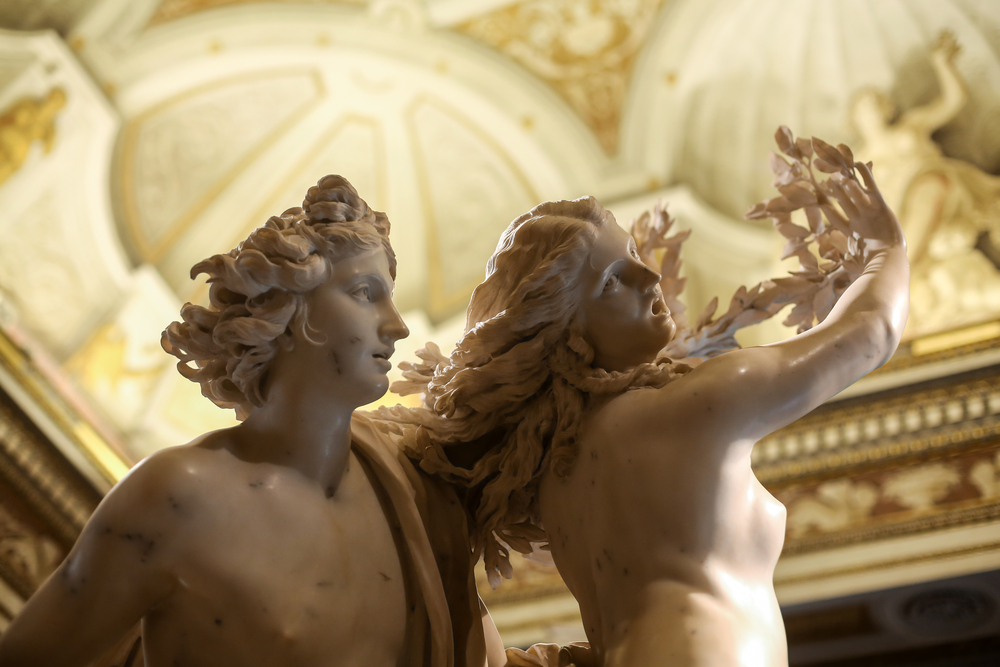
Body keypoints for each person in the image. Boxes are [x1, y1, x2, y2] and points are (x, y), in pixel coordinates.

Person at [382, 152, 908, 665]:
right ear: (563, 326)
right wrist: (886, 249)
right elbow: (872, 333)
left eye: (636, 256)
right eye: (613, 280)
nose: (649, 279)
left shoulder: (555, 473)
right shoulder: (685, 408)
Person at [0, 175, 503, 667]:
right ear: (287, 311)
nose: (397, 326)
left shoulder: (419, 496)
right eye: (365, 293)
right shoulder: (180, 497)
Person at [852, 30, 1000, 336]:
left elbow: (955, 100)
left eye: (880, 101)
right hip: (903, 218)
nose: (877, 106)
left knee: (928, 188)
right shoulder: (857, 161)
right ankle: (901, 271)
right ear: (855, 117)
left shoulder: (912, 125)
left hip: (940, 186)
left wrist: (943, 64)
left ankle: (897, 272)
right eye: (868, 103)